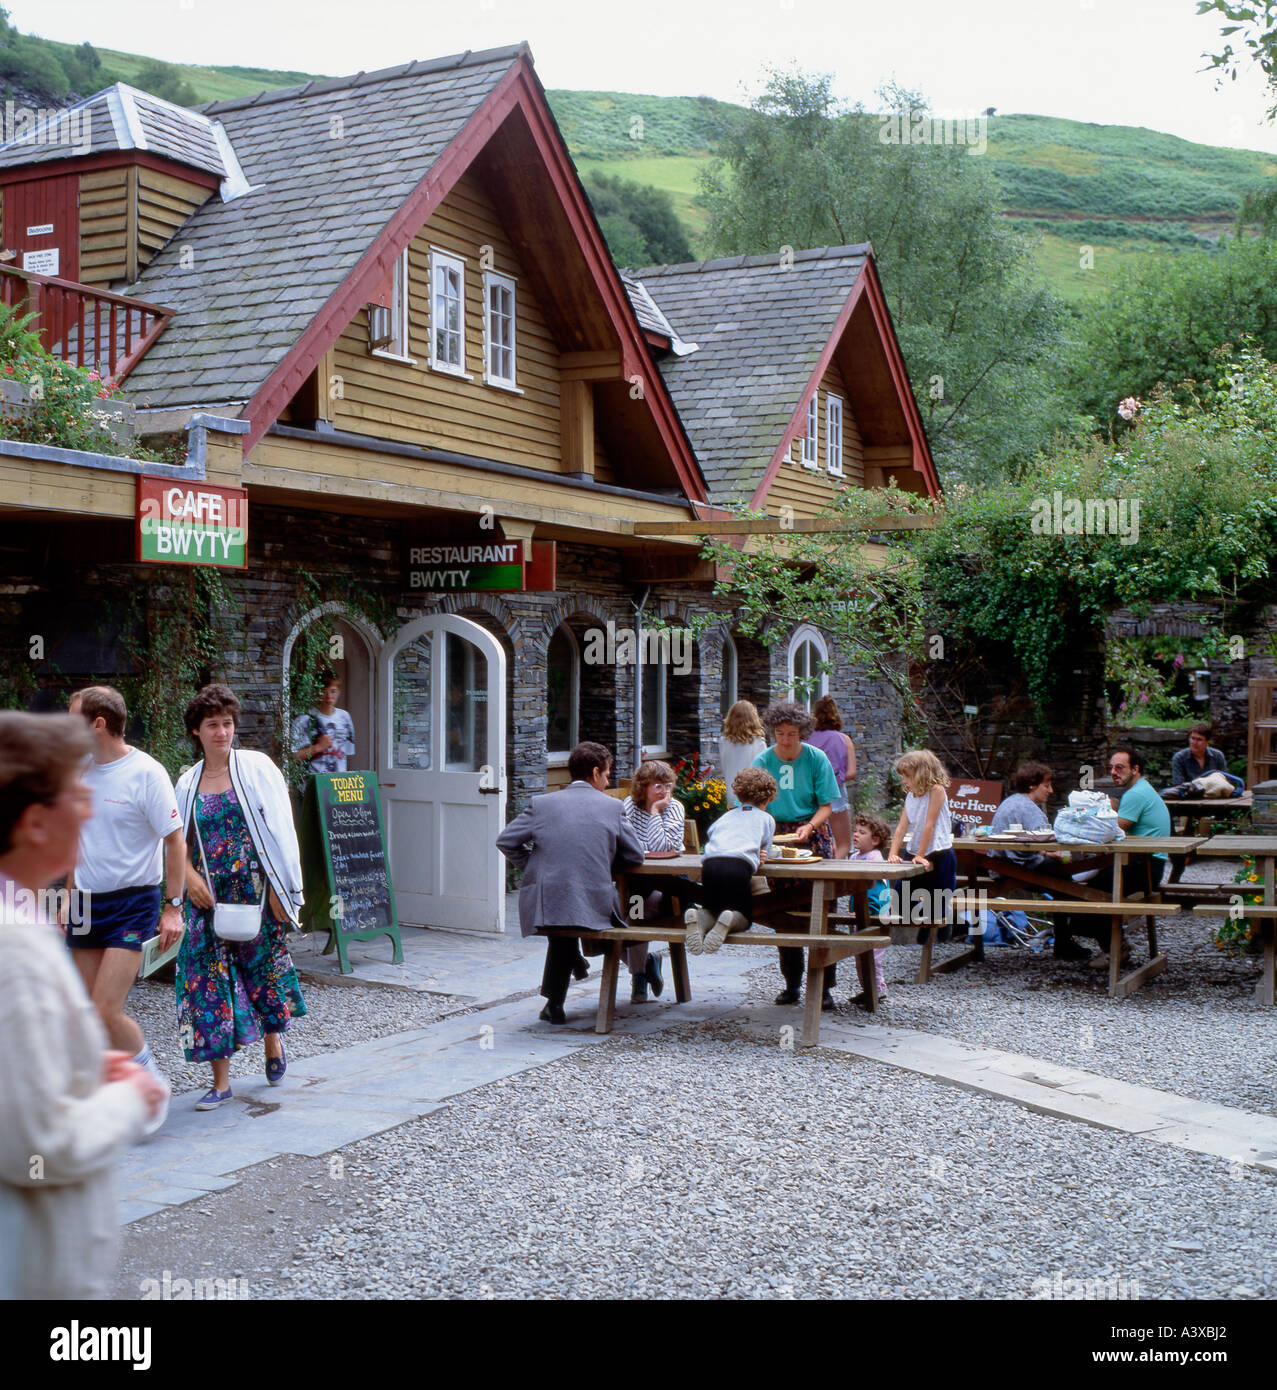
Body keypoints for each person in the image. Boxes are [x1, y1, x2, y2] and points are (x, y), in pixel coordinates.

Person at [0, 712, 165, 1299]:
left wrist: (79, 1075)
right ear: (38, 823)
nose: (91, 808)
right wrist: (129, 1099)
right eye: (78, 793)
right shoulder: (15, 944)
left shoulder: (20, 918)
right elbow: (37, 1144)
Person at [174, 684, 307, 1110]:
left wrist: (284, 891)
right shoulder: (187, 782)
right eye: (212, 725)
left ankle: (273, 1041)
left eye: (227, 724)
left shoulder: (256, 768)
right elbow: (175, 841)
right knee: (205, 982)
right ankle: (220, 1081)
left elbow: (282, 831)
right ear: (196, 730)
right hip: (205, 898)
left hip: (255, 890)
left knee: (264, 973)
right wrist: (188, 877)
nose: (222, 732)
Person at [64, 686, 183, 1135]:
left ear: (98, 724)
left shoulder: (146, 773)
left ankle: (150, 1083)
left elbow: (174, 840)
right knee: (89, 1014)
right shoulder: (79, 770)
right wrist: (69, 897)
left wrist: (172, 908)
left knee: (106, 1009)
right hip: (86, 904)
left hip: (134, 903)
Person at [497, 742, 644, 1024]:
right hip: (594, 903)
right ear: (595, 772)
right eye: (607, 774)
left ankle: (557, 998)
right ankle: (641, 966)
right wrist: (601, 867)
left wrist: (536, 868)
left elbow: (506, 840)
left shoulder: (542, 804)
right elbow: (635, 855)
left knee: (563, 924)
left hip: (546, 903)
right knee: (593, 914)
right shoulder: (612, 807)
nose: (609, 780)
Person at [752, 699, 840, 1009]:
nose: (786, 740)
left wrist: (810, 827)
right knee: (783, 911)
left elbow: (827, 804)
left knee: (820, 908)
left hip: (812, 833)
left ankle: (825, 986)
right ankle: (791, 982)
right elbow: (752, 802)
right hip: (777, 832)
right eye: (780, 733)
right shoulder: (763, 760)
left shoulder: (816, 758)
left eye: (792, 733)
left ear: (802, 732)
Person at [989, 761, 1089, 961]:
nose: (1051, 791)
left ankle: (1064, 939)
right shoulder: (1029, 809)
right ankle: (1066, 939)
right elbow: (1043, 841)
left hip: (1001, 865)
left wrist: (1045, 853)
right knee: (1067, 880)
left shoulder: (1011, 801)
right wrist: (1050, 853)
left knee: (1065, 879)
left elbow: (1027, 844)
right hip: (1015, 868)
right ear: (1033, 784)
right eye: (1047, 785)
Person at [1085, 746, 1172, 971]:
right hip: (1148, 863)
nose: (1114, 772)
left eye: (1120, 767)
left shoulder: (1135, 794)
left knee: (1090, 890)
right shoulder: (1141, 789)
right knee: (1091, 881)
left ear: (1136, 769)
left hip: (1146, 867)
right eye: (1111, 767)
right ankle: (1107, 946)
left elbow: (1113, 830)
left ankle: (1115, 950)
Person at [684, 766, 777, 955]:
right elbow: (764, 854)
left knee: (711, 907)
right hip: (738, 867)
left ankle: (700, 919)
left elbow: (712, 834)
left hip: (710, 865)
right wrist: (760, 856)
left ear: (739, 796)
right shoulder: (766, 819)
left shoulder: (725, 817)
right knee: (744, 915)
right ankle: (732, 918)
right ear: (767, 800)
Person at [619, 760, 684, 1001]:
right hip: (635, 887)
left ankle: (638, 977)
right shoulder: (629, 807)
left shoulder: (674, 807)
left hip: (666, 889)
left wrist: (656, 811)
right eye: (657, 786)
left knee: (635, 917)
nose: (664, 791)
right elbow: (628, 847)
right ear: (643, 787)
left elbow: (662, 847)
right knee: (614, 918)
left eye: (667, 785)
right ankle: (646, 964)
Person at [888, 749, 958, 942]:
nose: (904, 781)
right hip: (915, 851)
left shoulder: (936, 791)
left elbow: (930, 824)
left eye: (907, 776)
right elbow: (902, 827)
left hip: (938, 852)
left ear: (922, 774)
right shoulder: (911, 795)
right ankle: (928, 916)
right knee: (900, 904)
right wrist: (893, 853)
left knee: (939, 901)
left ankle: (942, 917)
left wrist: (921, 855)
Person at [805, 695, 858, 857]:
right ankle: (835, 878)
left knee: (816, 842)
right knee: (843, 844)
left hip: (811, 795)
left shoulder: (806, 740)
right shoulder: (844, 739)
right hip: (837, 794)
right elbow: (851, 773)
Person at [850, 812, 892, 1006]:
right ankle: (868, 988)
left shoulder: (874, 858)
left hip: (875, 912)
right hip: (859, 912)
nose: (856, 835)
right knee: (860, 955)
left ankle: (877, 990)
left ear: (875, 840)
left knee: (872, 955)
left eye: (862, 832)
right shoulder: (854, 857)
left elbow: (877, 892)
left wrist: (868, 912)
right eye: (855, 831)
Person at [290, 671, 356, 774]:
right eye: (323, 691)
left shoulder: (345, 718)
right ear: (316, 692)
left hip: (339, 784)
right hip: (313, 783)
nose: (329, 697)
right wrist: (318, 748)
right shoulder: (304, 720)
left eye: (333, 691)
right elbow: (292, 757)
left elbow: (345, 755)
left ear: (339, 692)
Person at [719, 700, 767, 808]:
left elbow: (724, 767)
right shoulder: (758, 742)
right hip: (751, 796)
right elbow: (762, 772)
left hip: (732, 795)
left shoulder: (723, 741)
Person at [1169, 722, 1227, 788]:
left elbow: (1225, 781)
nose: (1194, 743)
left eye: (1199, 740)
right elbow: (1178, 785)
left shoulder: (1218, 756)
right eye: (1192, 738)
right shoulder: (1179, 758)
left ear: (1207, 742)